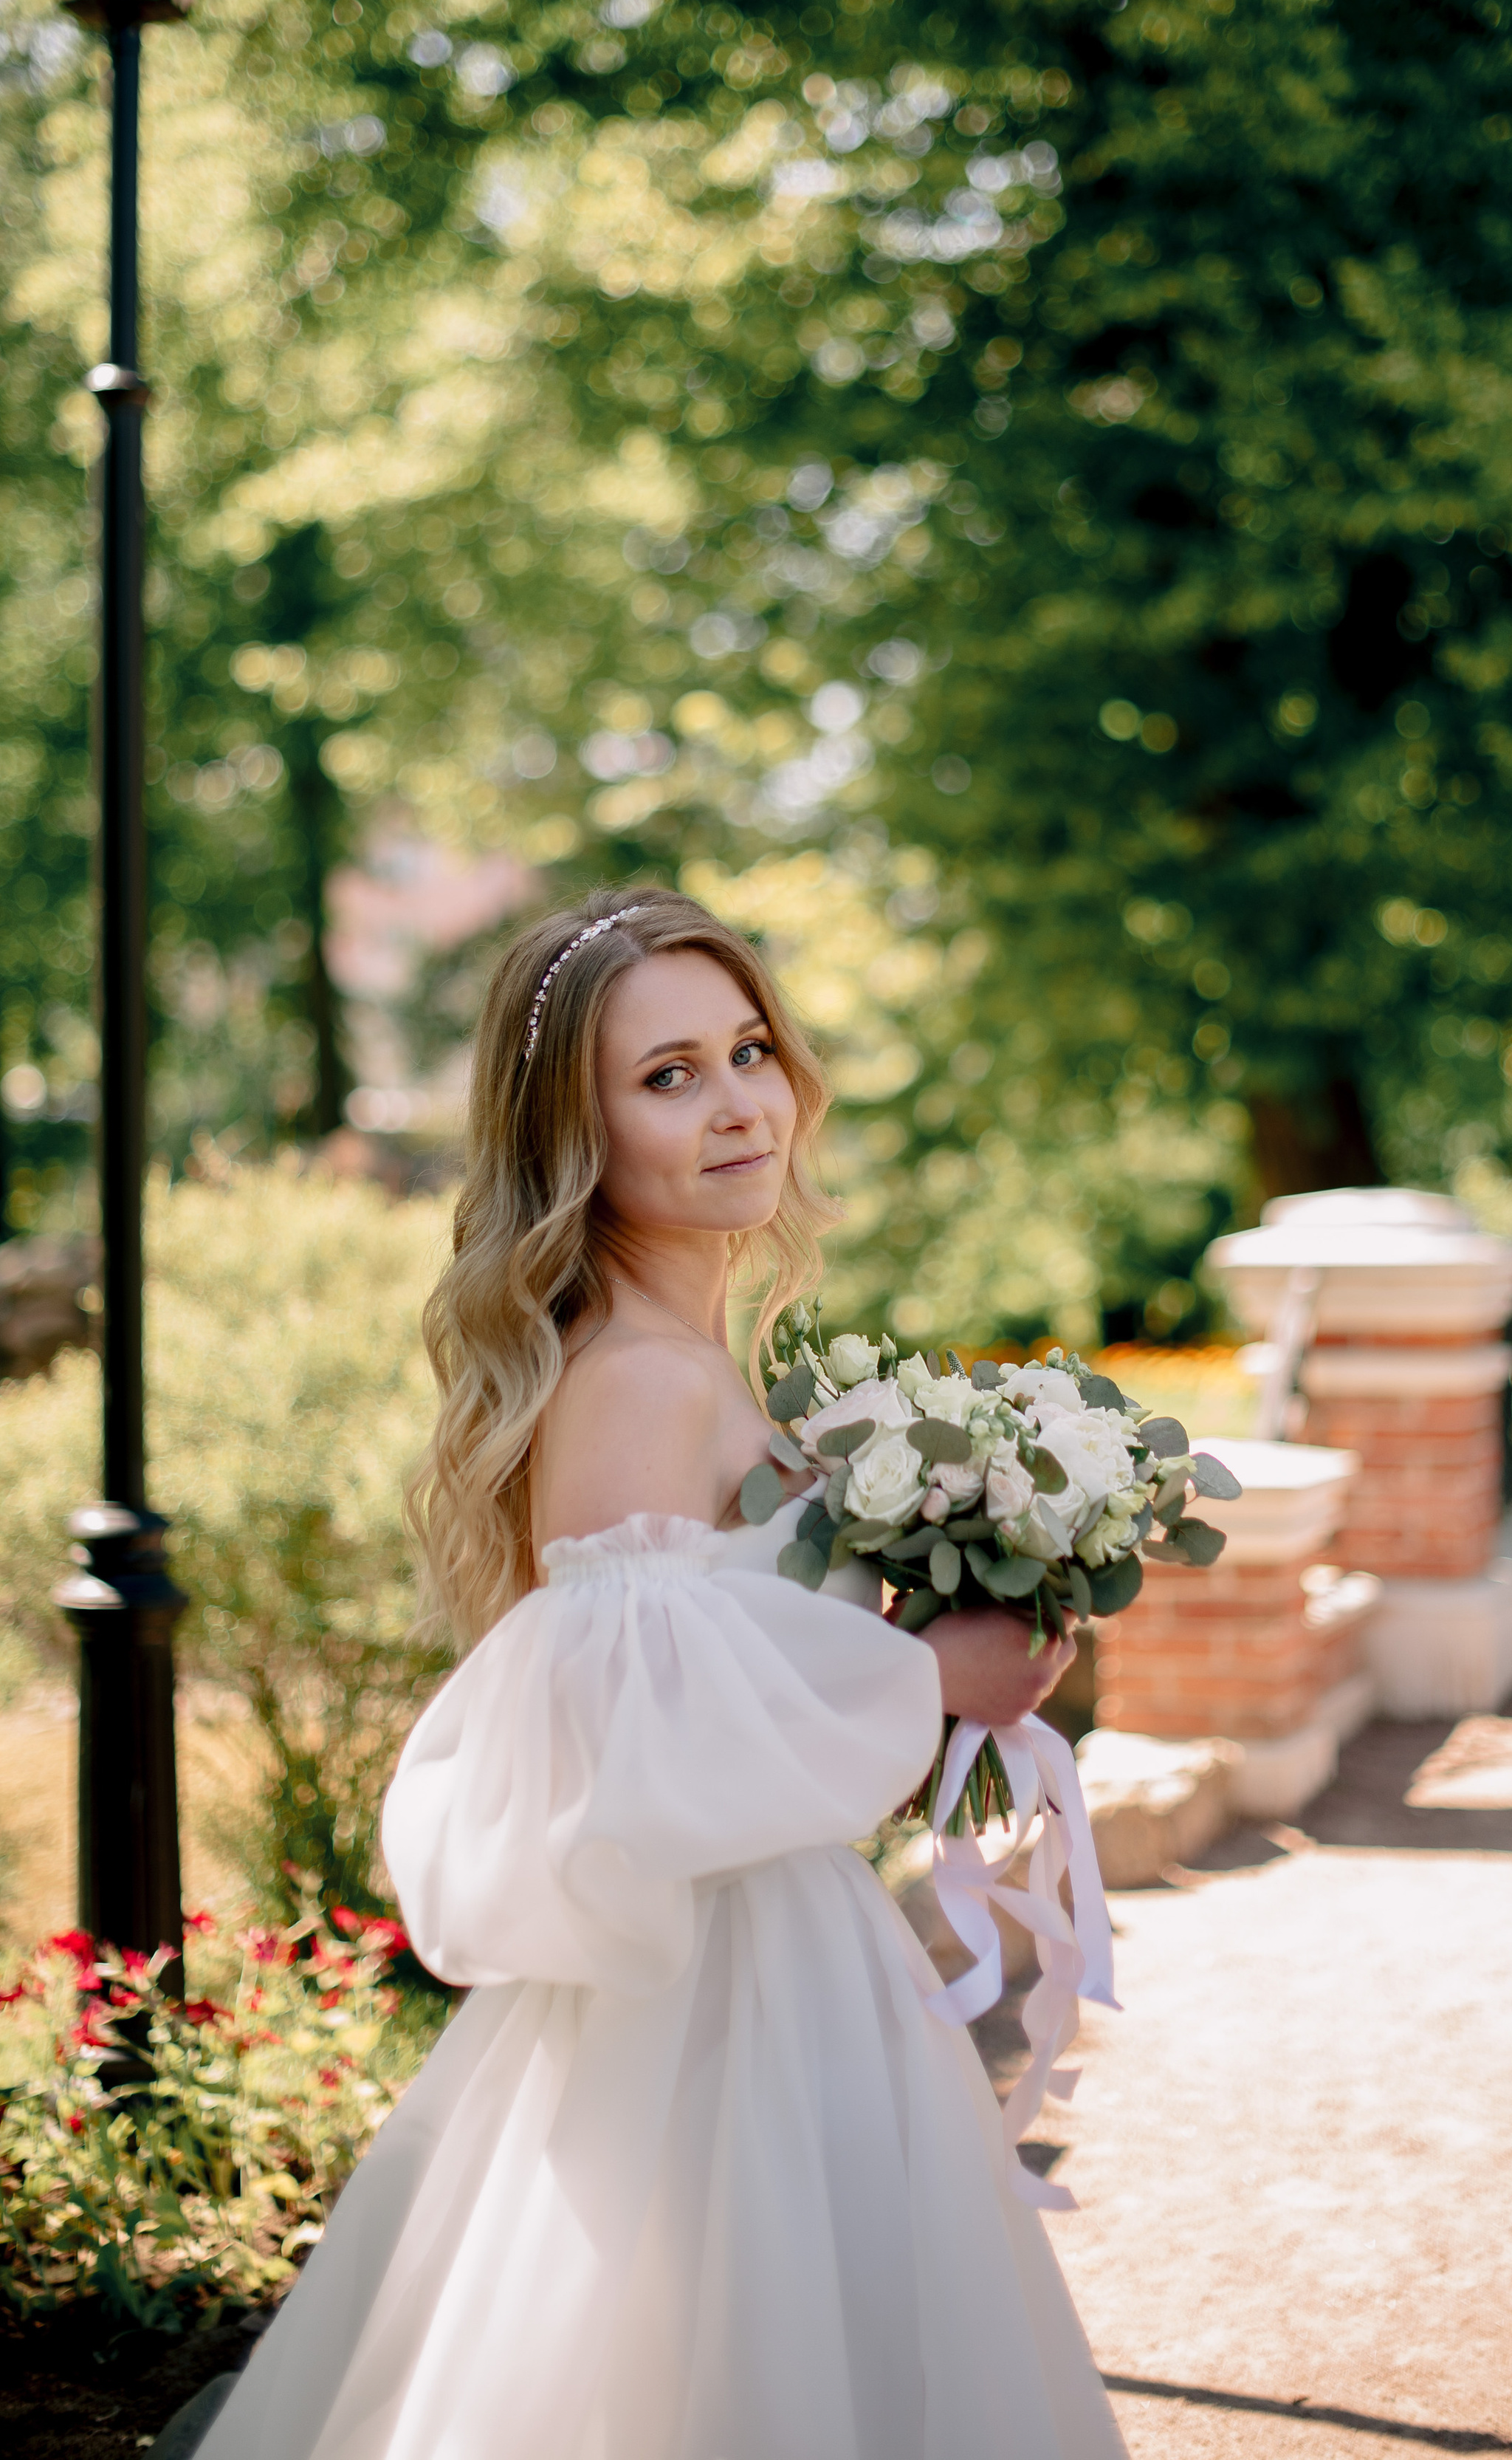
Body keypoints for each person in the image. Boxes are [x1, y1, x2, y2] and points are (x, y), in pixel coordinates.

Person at [202, 888, 1123, 2460]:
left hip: (788, 1962)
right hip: (707, 2000)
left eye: (746, 1050)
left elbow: (721, 1671)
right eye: (667, 1075)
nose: (735, 1102)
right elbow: (623, 1745)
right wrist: (931, 1685)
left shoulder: (701, 1364)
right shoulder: (632, 1381)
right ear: (578, 1134)